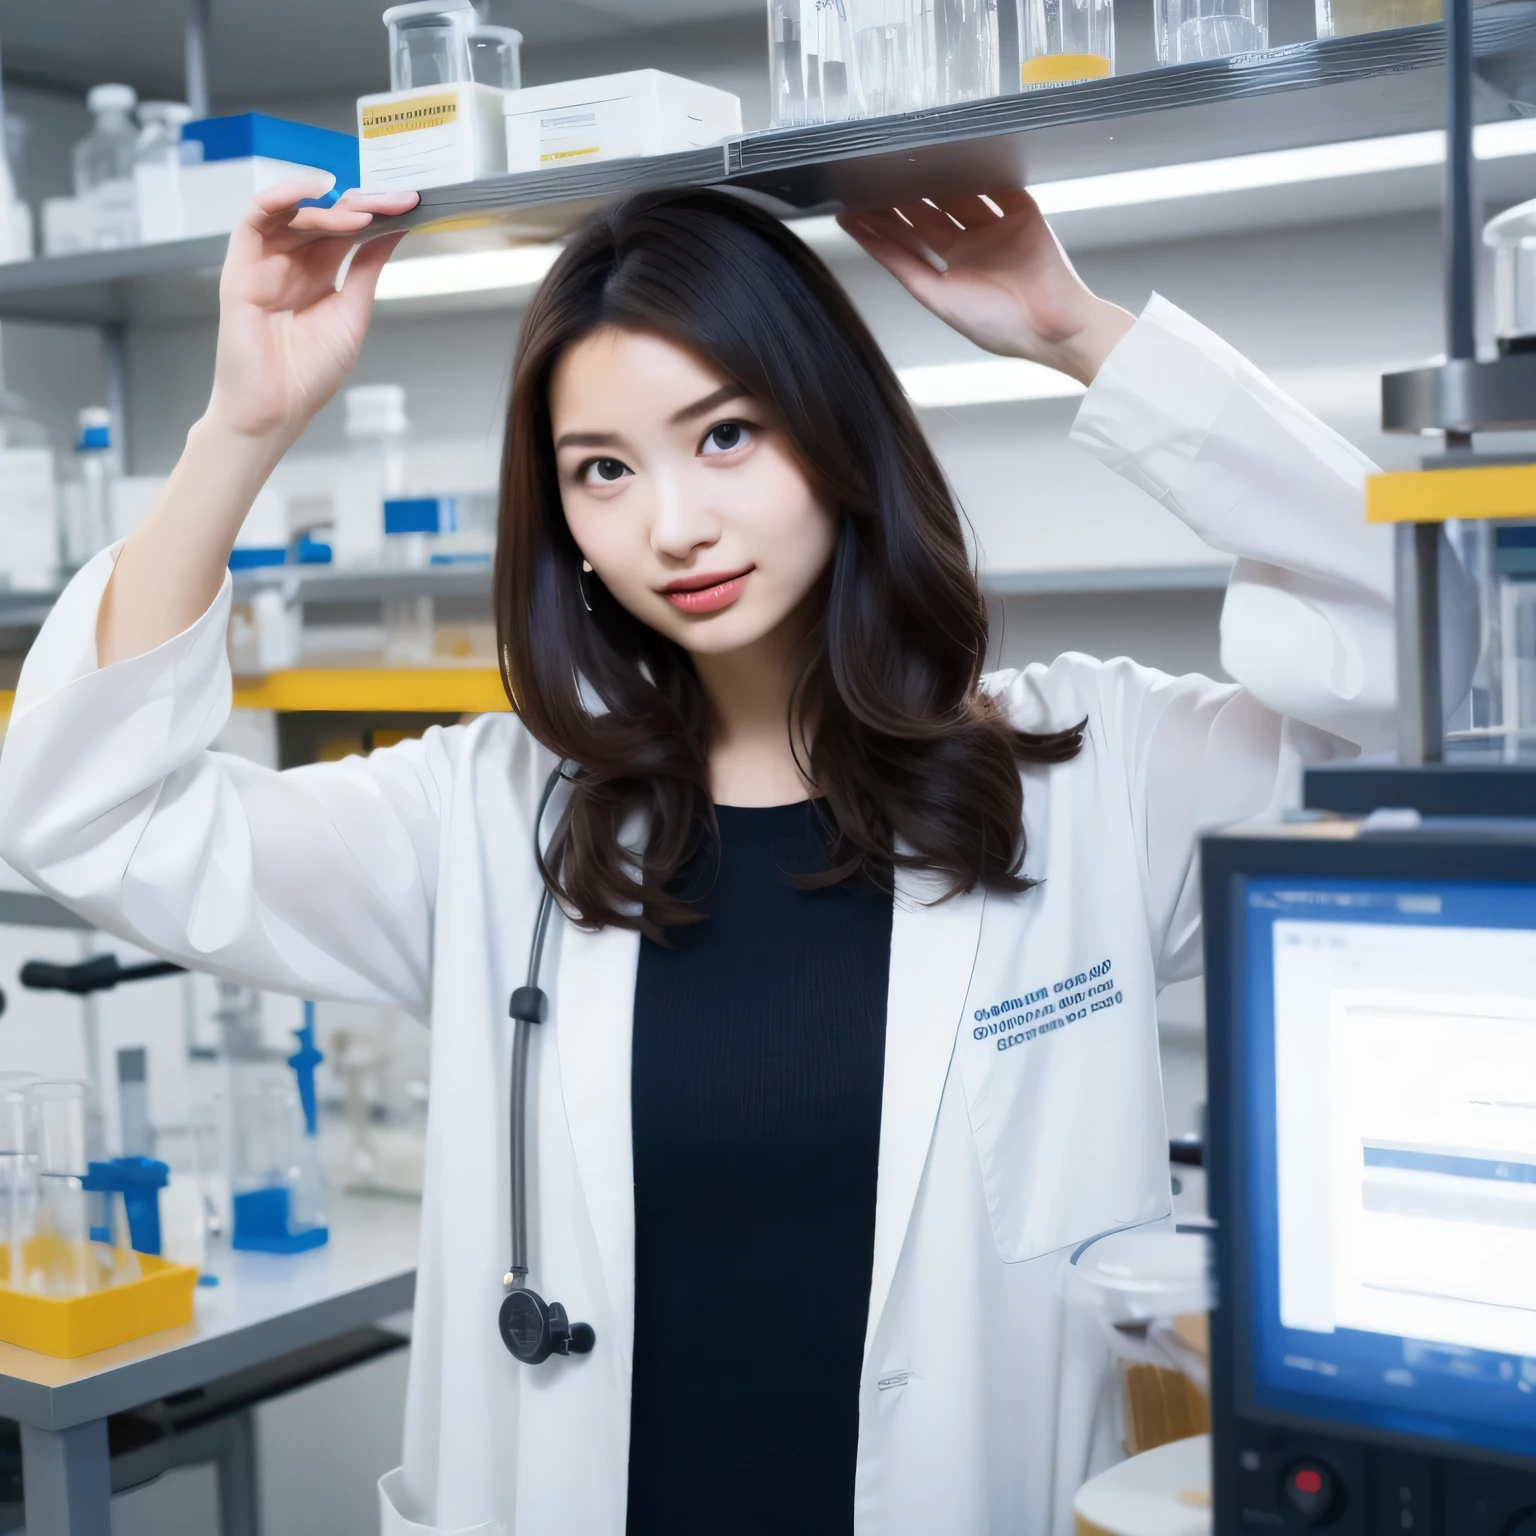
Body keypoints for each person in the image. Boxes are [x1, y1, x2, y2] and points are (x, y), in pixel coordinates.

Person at [0, 178, 1419, 1536]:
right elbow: (92, 817)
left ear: (835, 432)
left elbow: (1423, 673)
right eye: (602, 471)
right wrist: (241, 428)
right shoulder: (494, 819)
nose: (671, 524)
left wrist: (1080, 337)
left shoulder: (1093, 775)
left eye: (724, 434)